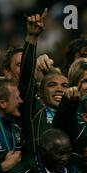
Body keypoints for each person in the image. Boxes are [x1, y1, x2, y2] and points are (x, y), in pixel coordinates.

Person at [18, 8, 69, 156]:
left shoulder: (76, 113)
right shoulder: (34, 109)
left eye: (64, 85)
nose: (59, 89)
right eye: (52, 85)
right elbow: (26, 77)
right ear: (39, 91)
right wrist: (32, 37)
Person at [0, 76, 23, 173]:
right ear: (3, 103)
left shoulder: (16, 126)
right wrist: (4, 166)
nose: (21, 101)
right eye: (17, 98)